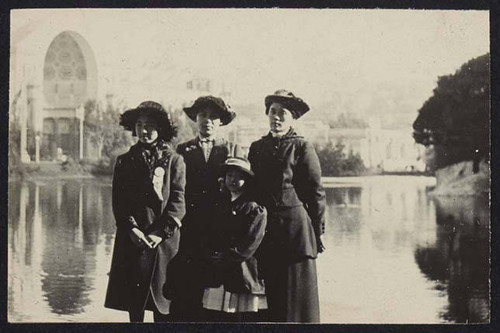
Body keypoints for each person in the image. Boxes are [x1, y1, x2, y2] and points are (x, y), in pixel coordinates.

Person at [248, 89, 326, 323]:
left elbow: (315, 193)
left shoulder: (302, 147)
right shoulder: (257, 148)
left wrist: (317, 233)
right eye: (273, 112)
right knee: (272, 299)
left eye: (283, 113)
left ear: (292, 118)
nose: (277, 117)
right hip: (266, 233)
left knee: (298, 301)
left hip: (296, 235)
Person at [104, 101, 186, 322]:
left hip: (163, 242)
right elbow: (119, 202)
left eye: (150, 125)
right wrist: (132, 229)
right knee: (135, 302)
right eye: (140, 125)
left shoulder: (174, 160)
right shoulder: (124, 161)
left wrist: (160, 233)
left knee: (163, 304)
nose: (144, 130)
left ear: (161, 129)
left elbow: (178, 202)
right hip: (134, 240)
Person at [168, 95, 243, 321]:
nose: (207, 121)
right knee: (188, 290)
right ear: (195, 119)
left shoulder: (232, 149)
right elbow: (175, 189)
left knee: (217, 293)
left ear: (221, 122)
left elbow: (242, 191)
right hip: (189, 229)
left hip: (220, 230)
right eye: (202, 115)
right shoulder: (183, 150)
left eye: (213, 117)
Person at [197, 157, 267, 322]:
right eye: (230, 176)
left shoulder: (254, 208)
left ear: (247, 180)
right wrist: (212, 253)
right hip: (217, 270)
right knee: (215, 314)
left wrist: (228, 256)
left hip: (241, 270)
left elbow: (251, 242)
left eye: (239, 177)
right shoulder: (218, 205)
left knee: (237, 314)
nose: (233, 180)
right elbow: (208, 234)